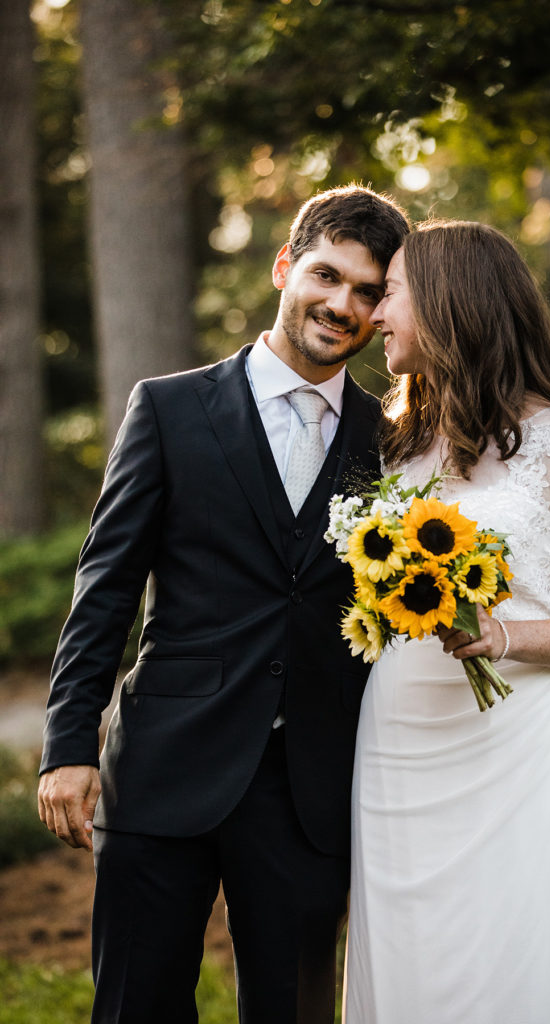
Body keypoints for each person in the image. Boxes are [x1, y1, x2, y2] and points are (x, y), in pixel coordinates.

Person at [37, 184, 410, 1024]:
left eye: (366, 291)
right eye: (326, 275)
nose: (340, 305)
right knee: (137, 1004)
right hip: (165, 765)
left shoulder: (387, 440)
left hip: (309, 786)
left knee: (295, 1009)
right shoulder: (168, 408)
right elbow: (105, 587)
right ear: (285, 266)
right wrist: (68, 746)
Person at [343, 220, 550, 1024]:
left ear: (447, 302)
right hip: (399, 749)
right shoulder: (393, 445)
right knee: (409, 960)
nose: (374, 316)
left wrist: (501, 636)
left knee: (513, 957)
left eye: (389, 293)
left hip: (513, 748)